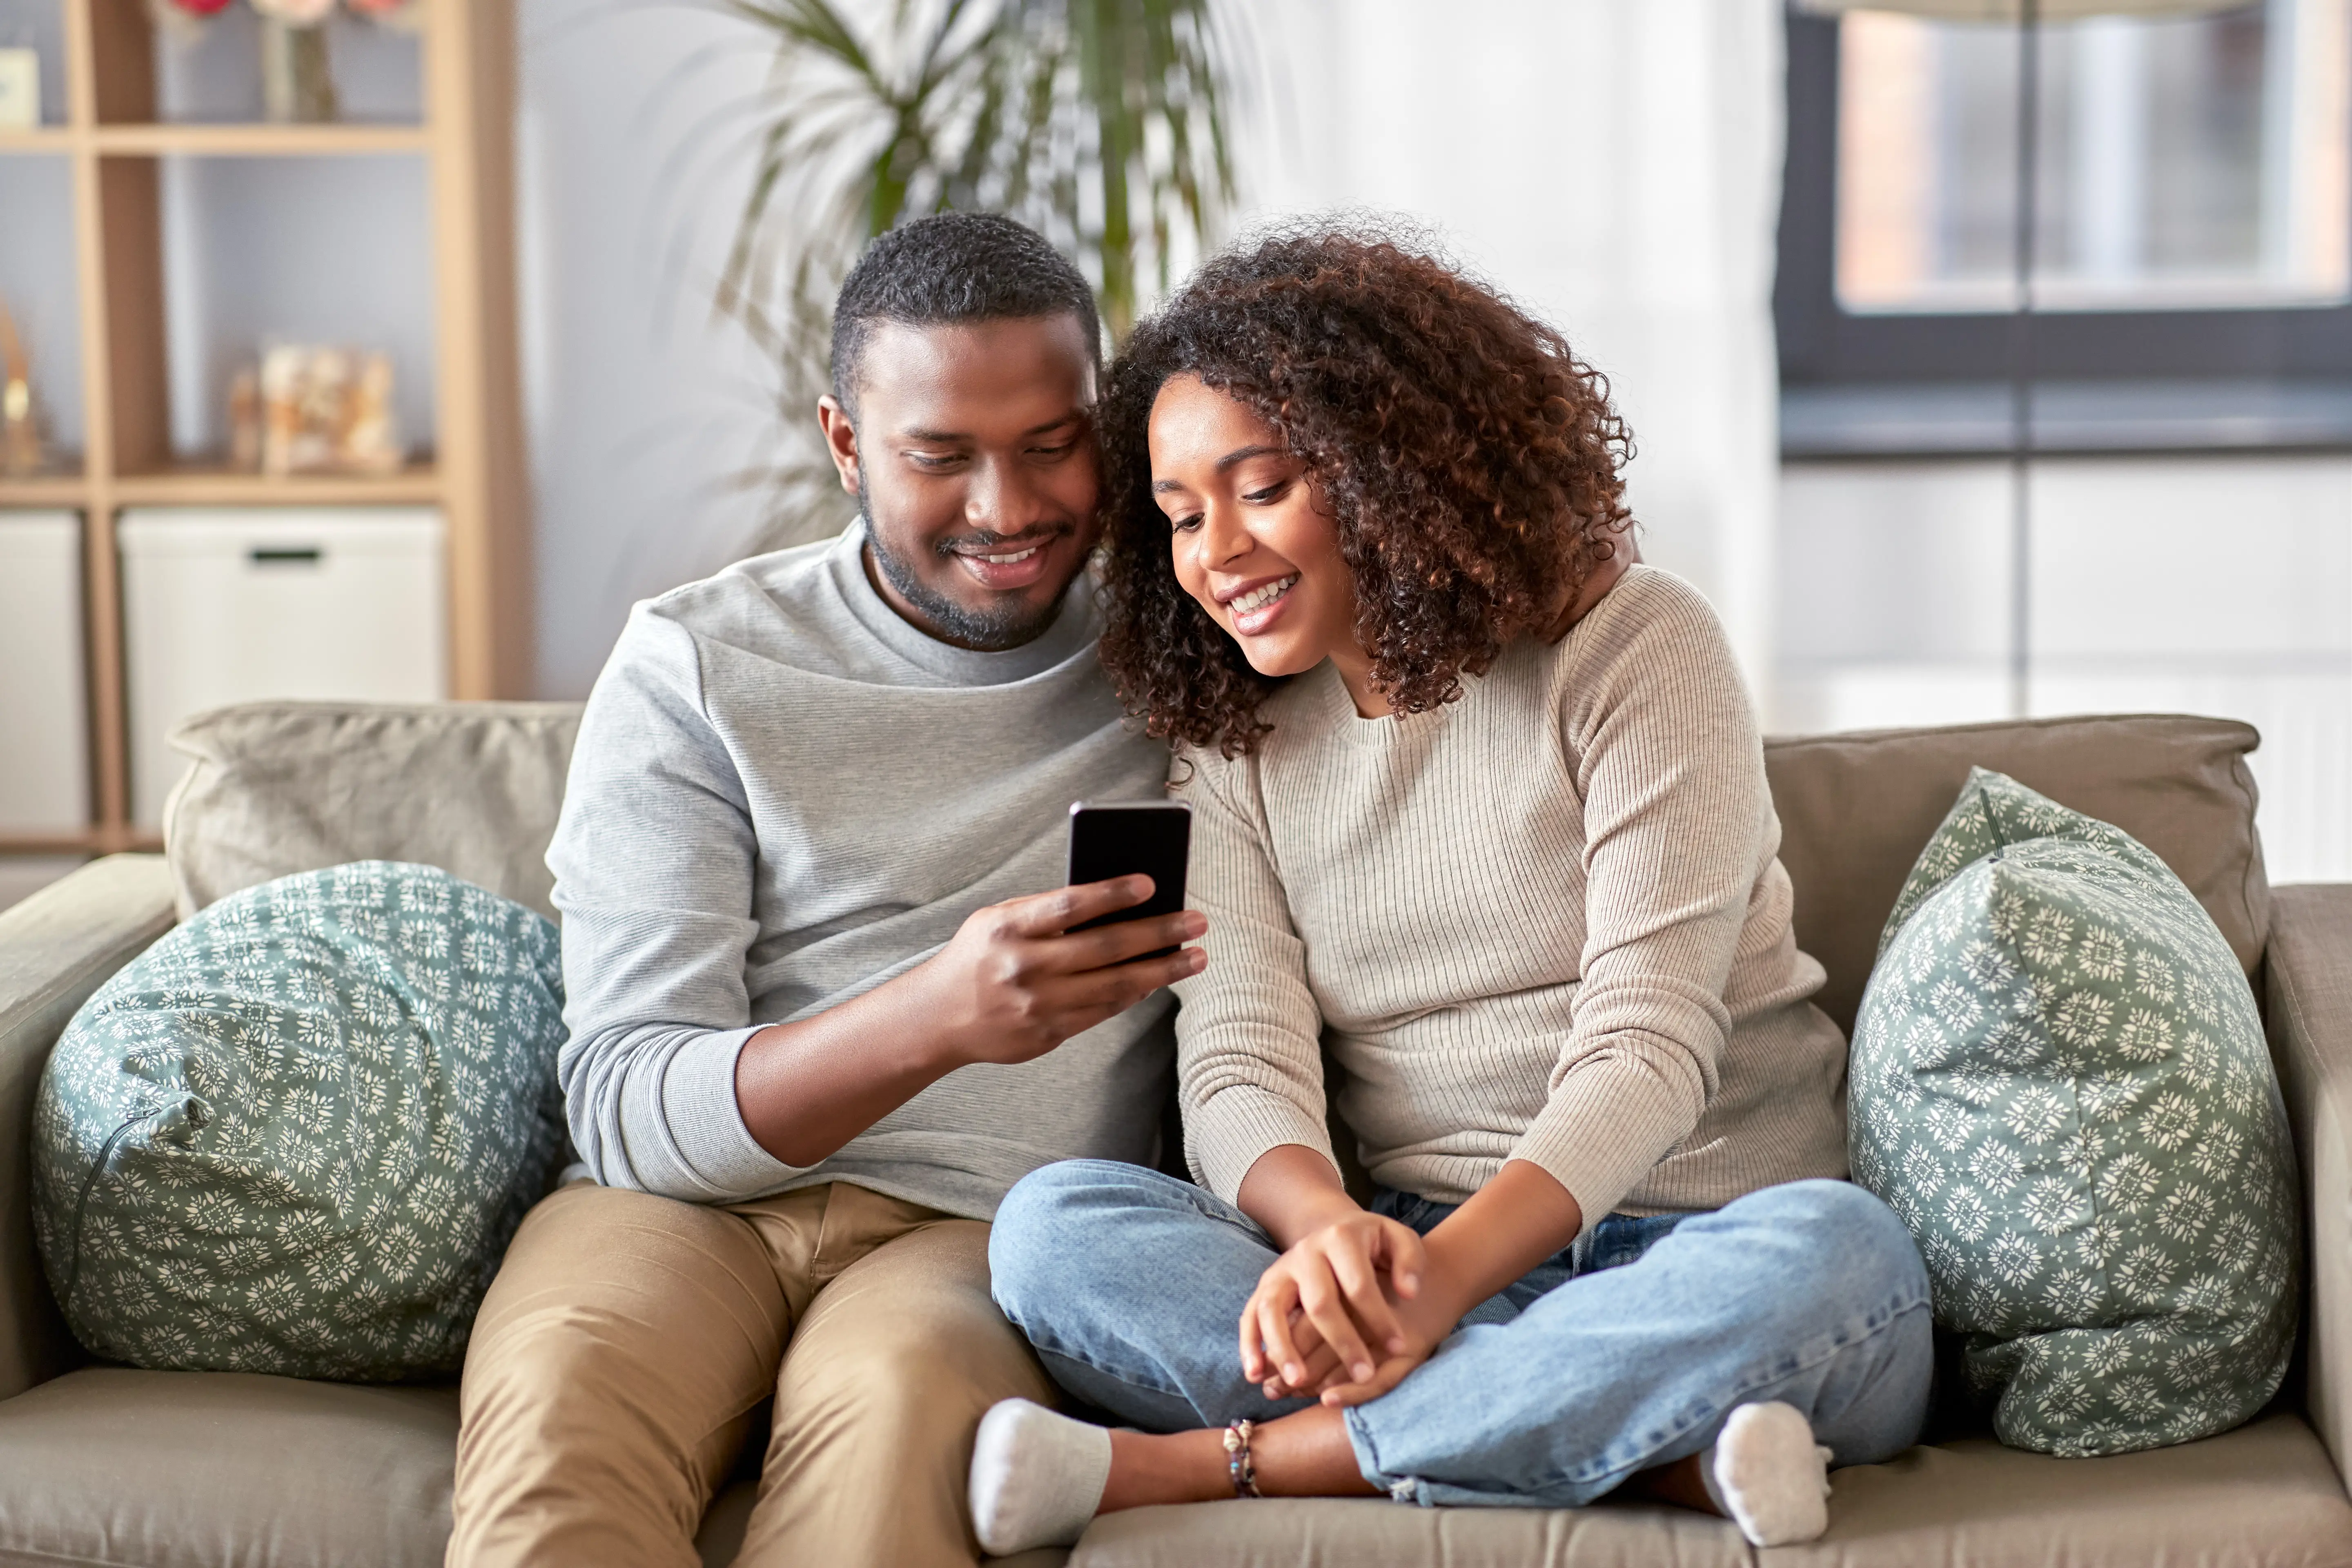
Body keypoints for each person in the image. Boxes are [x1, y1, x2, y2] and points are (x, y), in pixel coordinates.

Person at [970, 226, 1933, 1555]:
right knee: (1054, 1230)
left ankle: (1238, 1461)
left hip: (1708, 1240)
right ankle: (1625, 1445)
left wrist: (1437, 1295)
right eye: (1182, 516)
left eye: (1262, 489)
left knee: (1846, 1261)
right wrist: (1328, 1242)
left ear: (1387, 470)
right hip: (1398, 1254)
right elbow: (1239, 1057)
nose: (1216, 553)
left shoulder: (1634, 647)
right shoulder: (1236, 734)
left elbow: (1649, 1049)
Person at [444, 213, 1205, 1568]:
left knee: (890, 1420)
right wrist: (936, 1015)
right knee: (564, 1406)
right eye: (940, 456)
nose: (1008, 509)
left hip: (983, 1228)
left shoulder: (1193, 654)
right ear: (847, 443)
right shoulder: (697, 665)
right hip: (679, 1212)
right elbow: (624, 1103)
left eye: (1051, 444)